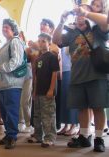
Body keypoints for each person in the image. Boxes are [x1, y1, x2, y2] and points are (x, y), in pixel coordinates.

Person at [53, 4, 109, 152]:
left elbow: (106, 21)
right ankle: (84, 137)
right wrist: (61, 21)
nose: (79, 16)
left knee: (98, 107)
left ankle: (98, 138)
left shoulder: (97, 29)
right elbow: (56, 40)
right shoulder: (71, 33)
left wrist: (85, 12)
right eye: (77, 13)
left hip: (97, 75)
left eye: (82, 13)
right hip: (77, 76)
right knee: (82, 108)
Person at [0, 18, 25, 149]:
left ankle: (12, 136)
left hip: (12, 83)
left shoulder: (15, 41)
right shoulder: (6, 44)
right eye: (3, 26)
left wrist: (1, 67)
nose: (4, 29)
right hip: (3, 83)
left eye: (7, 27)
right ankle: (8, 134)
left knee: (11, 110)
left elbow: (16, 61)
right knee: (5, 111)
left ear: (13, 29)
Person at [27, 33, 59, 148]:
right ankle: (38, 135)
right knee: (37, 115)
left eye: (43, 41)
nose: (40, 43)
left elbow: (54, 74)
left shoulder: (52, 56)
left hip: (47, 92)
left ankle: (50, 137)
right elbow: (36, 77)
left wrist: (51, 89)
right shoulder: (39, 58)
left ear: (49, 43)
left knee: (48, 115)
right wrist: (34, 91)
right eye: (39, 41)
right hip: (38, 91)